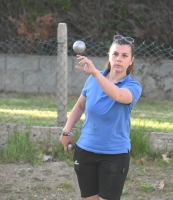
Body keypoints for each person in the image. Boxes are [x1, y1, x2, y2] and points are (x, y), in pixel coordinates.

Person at [59, 35, 142, 200]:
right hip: (86, 150)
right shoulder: (93, 79)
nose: (119, 59)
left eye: (124, 56)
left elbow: (118, 95)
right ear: (109, 56)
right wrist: (66, 131)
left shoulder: (133, 86)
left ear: (131, 60)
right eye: (115, 54)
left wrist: (96, 74)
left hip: (114, 155)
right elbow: (80, 106)